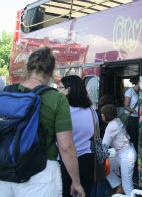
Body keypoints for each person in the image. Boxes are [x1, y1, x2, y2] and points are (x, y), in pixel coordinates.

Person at [0, 47, 85, 197]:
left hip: (4, 169)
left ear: (27, 68)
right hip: (41, 172)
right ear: (52, 71)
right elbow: (65, 146)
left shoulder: (8, 92)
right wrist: (76, 181)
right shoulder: (57, 98)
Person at [58, 75, 95, 197]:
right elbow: (94, 132)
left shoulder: (62, 111)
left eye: (60, 87)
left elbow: (65, 145)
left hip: (65, 161)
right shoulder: (91, 109)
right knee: (84, 192)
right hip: (86, 159)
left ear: (68, 90)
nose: (58, 90)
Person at [101, 104, 137, 196]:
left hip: (126, 155)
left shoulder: (111, 126)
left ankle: (122, 188)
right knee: (106, 169)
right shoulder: (117, 120)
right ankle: (118, 185)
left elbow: (104, 146)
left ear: (107, 115)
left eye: (102, 114)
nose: (101, 115)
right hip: (122, 153)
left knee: (127, 186)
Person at [124, 75, 140, 147]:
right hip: (132, 118)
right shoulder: (130, 91)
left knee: (138, 137)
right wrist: (133, 110)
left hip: (139, 117)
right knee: (133, 137)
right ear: (138, 82)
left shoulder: (140, 91)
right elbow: (126, 106)